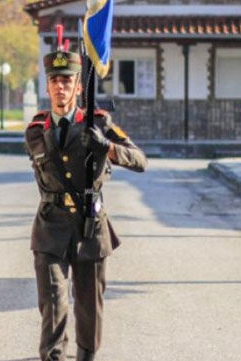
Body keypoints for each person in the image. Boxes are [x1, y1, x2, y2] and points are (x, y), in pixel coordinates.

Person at [24, 49, 147, 361]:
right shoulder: (36, 130)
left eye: (67, 80)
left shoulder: (100, 123)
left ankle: (86, 356)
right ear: (48, 86)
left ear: (78, 87)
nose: (60, 87)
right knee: (53, 302)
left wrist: (107, 148)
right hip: (50, 226)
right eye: (54, 81)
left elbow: (140, 161)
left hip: (89, 227)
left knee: (89, 304)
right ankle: (52, 356)